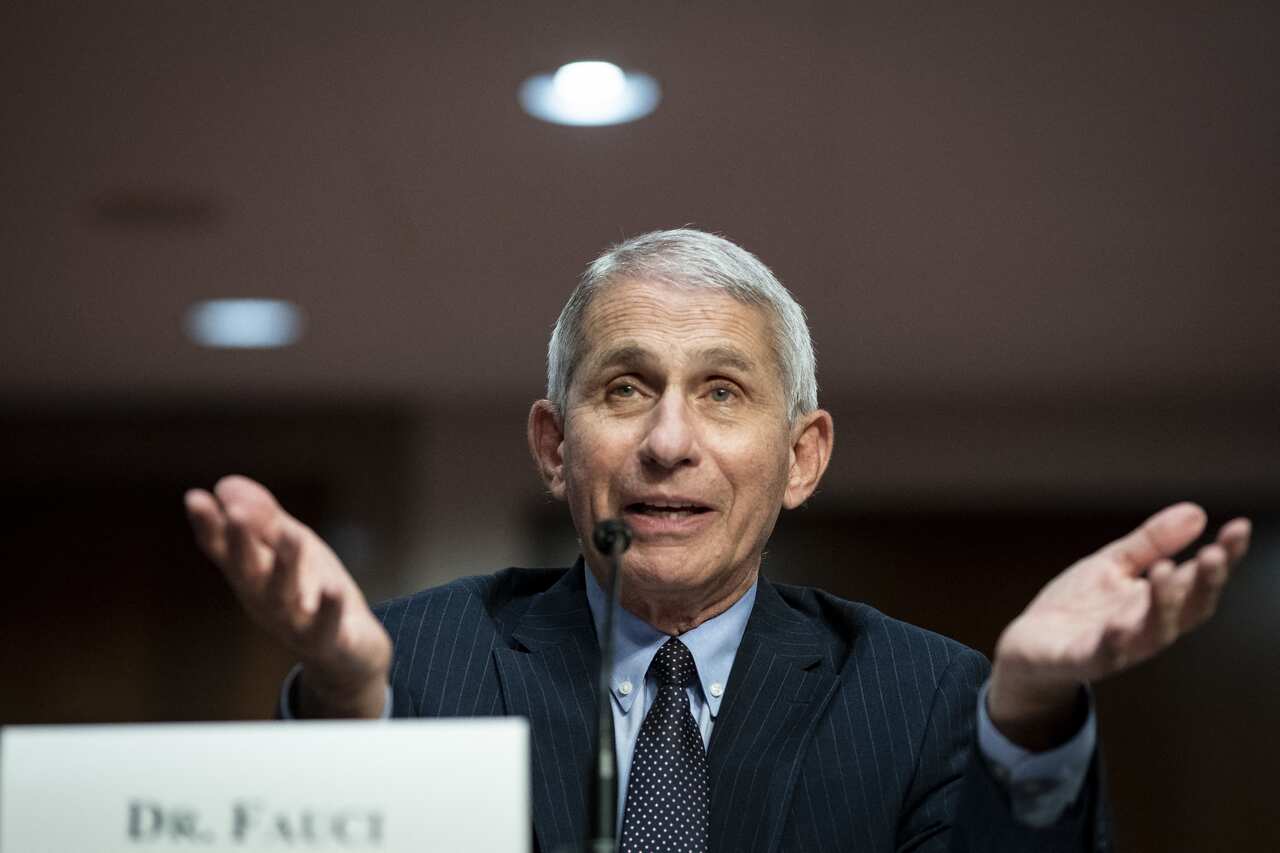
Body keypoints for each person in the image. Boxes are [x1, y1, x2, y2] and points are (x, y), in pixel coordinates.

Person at [185, 229, 1252, 852]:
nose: (666, 441)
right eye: (624, 388)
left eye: (722, 392)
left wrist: (1022, 716)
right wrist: (343, 703)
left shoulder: (926, 698)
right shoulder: (414, 662)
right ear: (554, 445)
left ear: (801, 456)